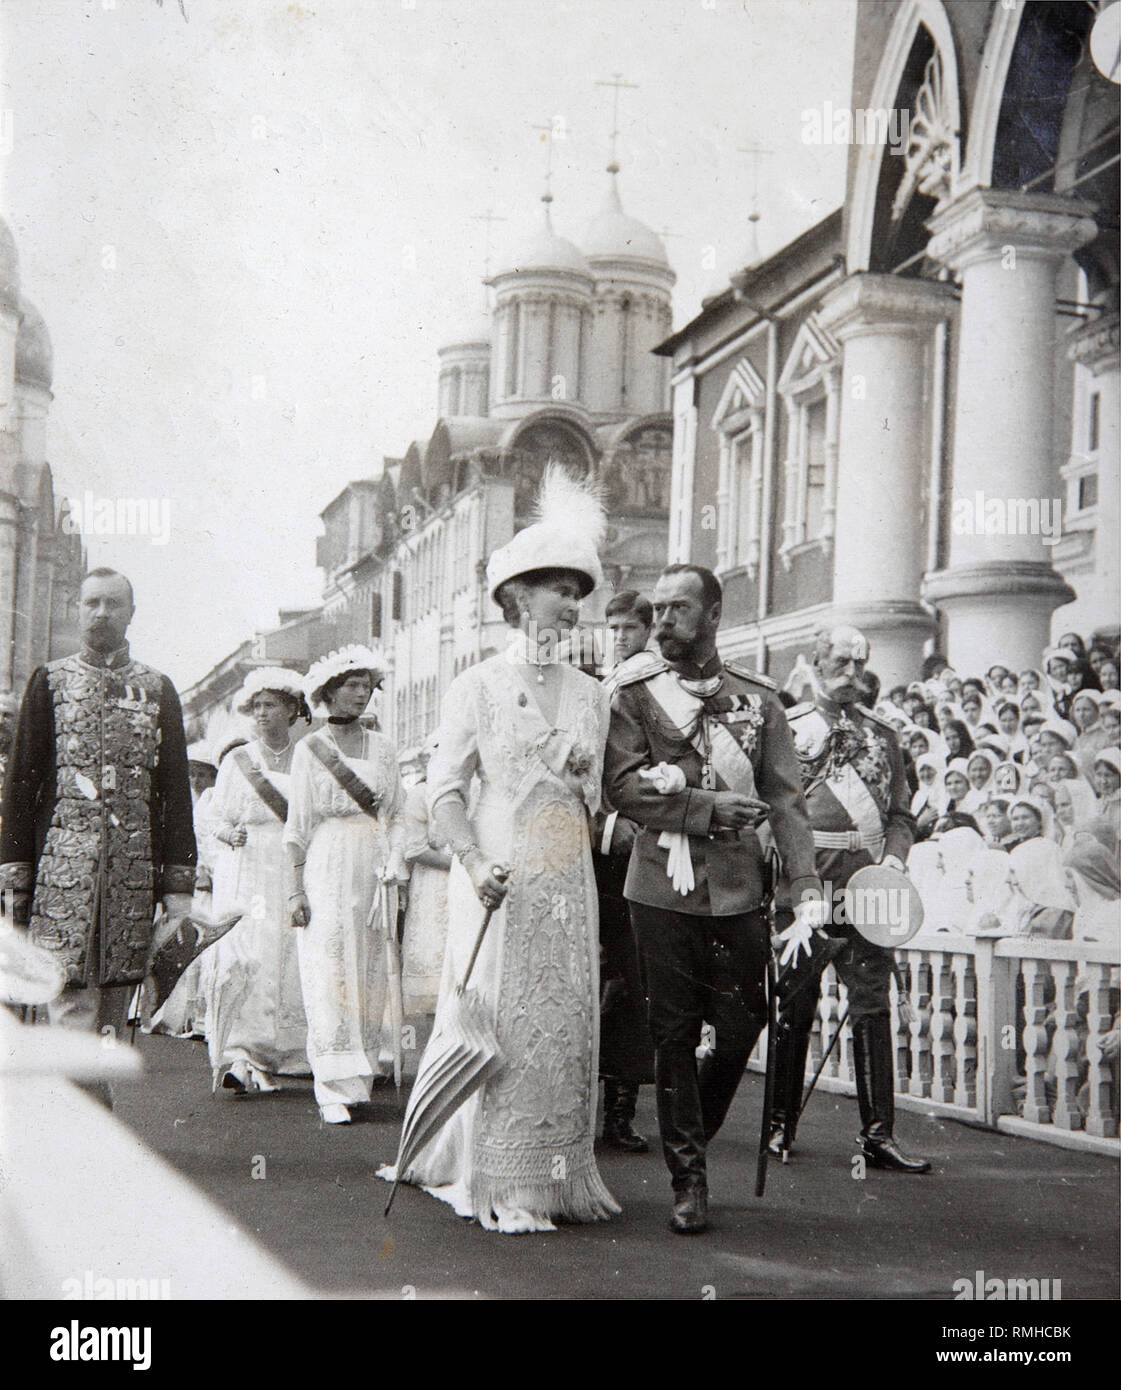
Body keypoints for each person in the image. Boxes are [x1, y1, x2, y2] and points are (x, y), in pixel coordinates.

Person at [383, 465, 620, 1233]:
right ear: (518, 598)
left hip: (566, 882)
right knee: (498, 1023)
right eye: (558, 589)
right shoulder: (475, 686)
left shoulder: (592, 694)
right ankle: (494, 1177)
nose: (570, 606)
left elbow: (600, 796)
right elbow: (444, 794)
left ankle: (554, 1176)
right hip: (493, 874)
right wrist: (475, 861)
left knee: (561, 1021)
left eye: (578, 593)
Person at [604, 564, 823, 1234]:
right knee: (671, 1033)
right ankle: (688, 1176)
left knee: (741, 1023)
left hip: (735, 890)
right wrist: (702, 807)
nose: (663, 620)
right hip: (659, 890)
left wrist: (805, 888)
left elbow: (785, 802)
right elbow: (621, 787)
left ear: (714, 614)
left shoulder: (759, 702)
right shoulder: (636, 695)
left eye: (678, 609)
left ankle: (688, 1121)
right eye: (658, 609)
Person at [0, 568, 196, 1100]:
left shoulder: (157, 688)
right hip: (60, 869)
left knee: (113, 999)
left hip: (131, 875)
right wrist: (14, 871)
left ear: (132, 612)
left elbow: (175, 788)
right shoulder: (50, 680)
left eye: (113, 603)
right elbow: (22, 782)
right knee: (66, 993)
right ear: (77, 610)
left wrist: (177, 883)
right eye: (91, 603)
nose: (101, 613)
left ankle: (88, 1101)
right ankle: (81, 1114)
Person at [767, 625, 931, 1173]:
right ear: (815, 662)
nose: (852, 676)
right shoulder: (786, 729)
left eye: (860, 666)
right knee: (796, 1006)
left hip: (870, 887)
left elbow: (901, 815)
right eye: (840, 663)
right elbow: (770, 809)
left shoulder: (883, 735)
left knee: (872, 1006)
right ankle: (778, 1126)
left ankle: (879, 1135)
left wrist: (895, 857)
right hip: (811, 884)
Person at [285, 646, 407, 1124]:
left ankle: (360, 1077)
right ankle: (331, 1082)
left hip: (374, 861)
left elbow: (396, 814)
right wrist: (296, 889)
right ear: (330, 692)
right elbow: (297, 825)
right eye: (351, 685)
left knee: (371, 965)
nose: (360, 693)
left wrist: (395, 858)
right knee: (330, 962)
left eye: (366, 685)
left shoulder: (384, 747)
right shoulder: (309, 750)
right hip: (328, 860)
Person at [193, 668, 312, 1094]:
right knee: (250, 954)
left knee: (290, 952)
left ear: (292, 710)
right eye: (256, 706)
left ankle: (290, 1049)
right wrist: (229, 833)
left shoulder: (308, 758)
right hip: (247, 870)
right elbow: (212, 817)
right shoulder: (237, 762)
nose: (261, 713)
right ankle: (243, 1053)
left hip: (292, 864)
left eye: (271, 705)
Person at [595, 590, 656, 1153]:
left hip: (644, 851)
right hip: (597, 852)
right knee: (590, 977)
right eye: (612, 627)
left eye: (630, 628)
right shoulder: (596, 688)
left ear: (648, 630)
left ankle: (620, 1109)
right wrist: (608, 825)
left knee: (632, 981)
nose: (619, 637)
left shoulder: (655, 689)